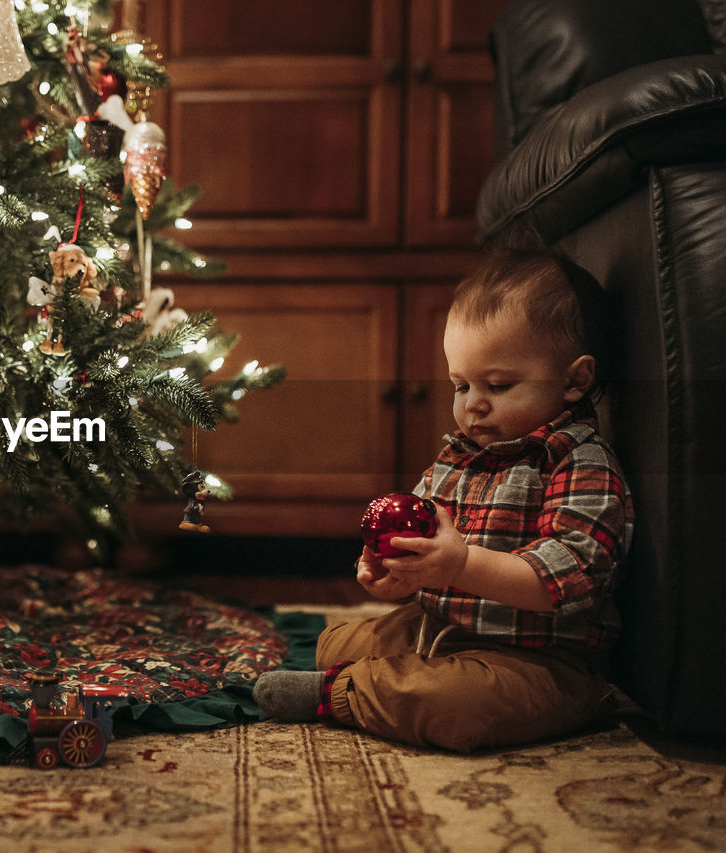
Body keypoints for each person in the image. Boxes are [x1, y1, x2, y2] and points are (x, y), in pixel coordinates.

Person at [253, 246, 635, 752]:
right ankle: (361, 664)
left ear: (574, 380)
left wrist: (460, 565)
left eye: (498, 385)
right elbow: (424, 548)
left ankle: (342, 693)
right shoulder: (459, 457)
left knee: (459, 707)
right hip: (441, 624)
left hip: (541, 658)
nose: (473, 404)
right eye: (460, 384)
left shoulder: (579, 463)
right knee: (343, 641)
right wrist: (394, 574)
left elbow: (567, 581)